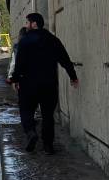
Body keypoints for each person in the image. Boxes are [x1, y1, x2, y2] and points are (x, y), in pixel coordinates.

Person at [8, 13, 78, 154]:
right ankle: (48, 146)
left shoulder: (25, 41)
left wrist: (15, 79)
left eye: (28, 23)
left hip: (28, 85)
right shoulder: (53, 40)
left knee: (26, 111)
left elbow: (19, 63)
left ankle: (31, 133)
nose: (26, 26)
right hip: (49, 84)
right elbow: (64, 59)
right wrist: (73, 76)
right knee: (47, 115)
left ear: (34, 24)